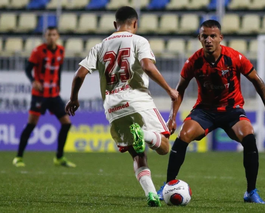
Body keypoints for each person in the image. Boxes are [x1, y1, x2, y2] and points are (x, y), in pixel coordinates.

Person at [157, 20, 265, 204]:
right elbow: (180, 90)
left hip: (232, 110)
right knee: (183, 135)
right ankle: (168, 185)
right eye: (204, 36)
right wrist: (172, 117)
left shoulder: (234, 57)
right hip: (205, 111)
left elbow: (257, 80)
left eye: (212, 36)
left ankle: (250, 192)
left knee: (249, 136)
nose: (209, 40)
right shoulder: (194, 61)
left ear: (220, 38)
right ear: (199, 39)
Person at [65, 6, 178, 207]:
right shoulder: (139, 40)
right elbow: (147, 66)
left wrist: (74, 98)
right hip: (137, 99)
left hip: (112, 105)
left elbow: (79, 75)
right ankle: (144, 135)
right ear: (135, 23)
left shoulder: (99, 47)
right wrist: (170, 90)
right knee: (164, 147)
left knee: (137, 154)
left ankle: (151, 194)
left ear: (115, 24)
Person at [12, 27, 75, 168]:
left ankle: (59, 157)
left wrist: (59, 85)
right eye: (49, 35)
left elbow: (58, 70)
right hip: (40, 95)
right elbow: (28, 68)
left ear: (57, 36)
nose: (51, 37)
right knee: (31, 125)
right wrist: (33, 81)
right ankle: (18, 157)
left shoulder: (60, 51)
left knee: (66, 123)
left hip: (54, 94)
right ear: (45, 36)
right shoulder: (38, 51)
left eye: (54, 34)